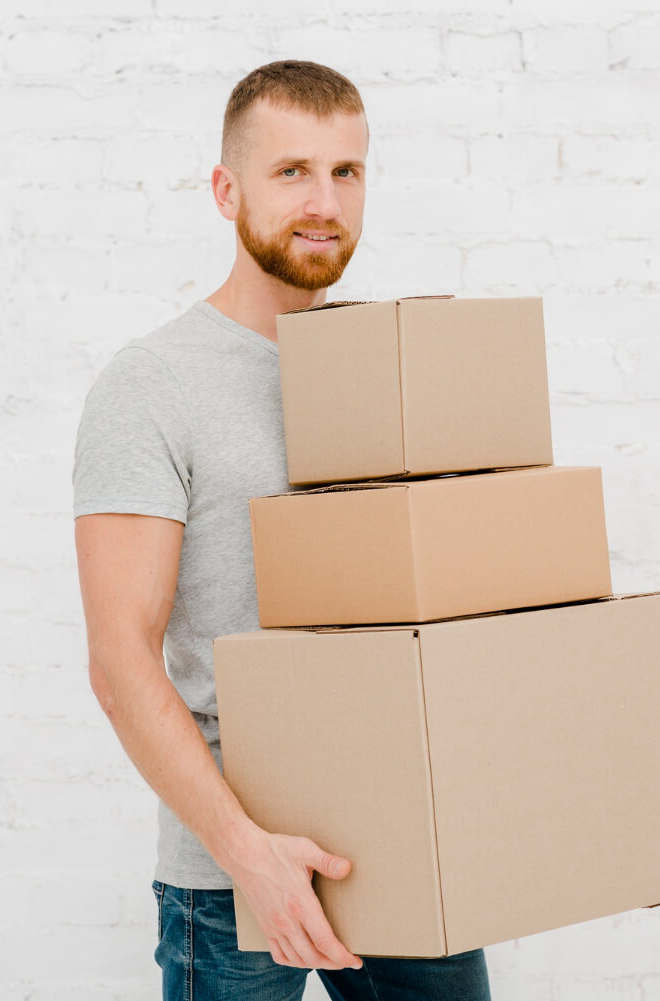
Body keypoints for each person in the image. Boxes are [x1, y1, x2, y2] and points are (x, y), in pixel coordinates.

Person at [71, 60, 492, 1001]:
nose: (324, 201)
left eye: (347, 172)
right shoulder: (151, 385)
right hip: (229, 882)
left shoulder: (390, 368)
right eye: (291, 170)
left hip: (399, 844)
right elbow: (118, 657)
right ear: (226, 190)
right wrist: (248, 855)